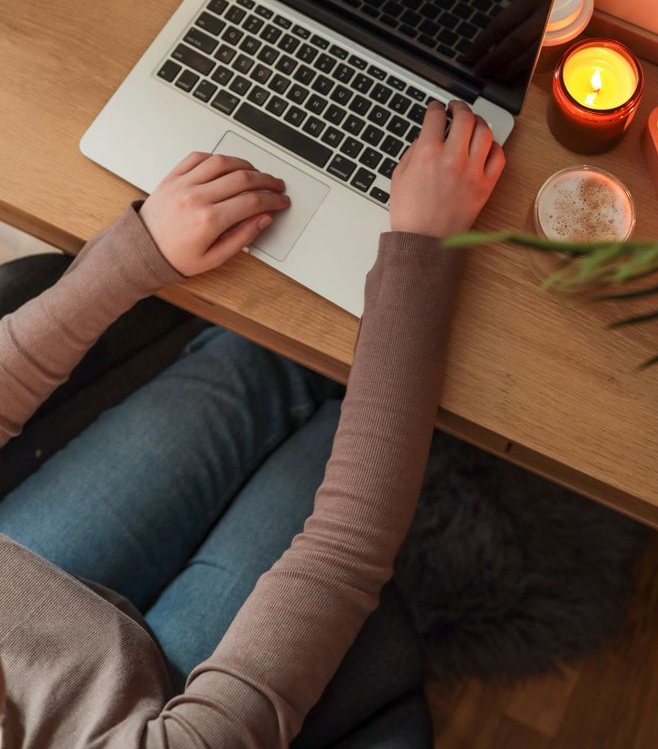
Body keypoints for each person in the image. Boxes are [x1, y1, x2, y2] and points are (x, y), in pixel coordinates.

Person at [0, 99, 504, 747]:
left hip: (32, 595)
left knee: (259, 358)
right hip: (167, 706)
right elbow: (345, 549)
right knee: (348, 439)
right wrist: (421, 252)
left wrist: (136, 254)